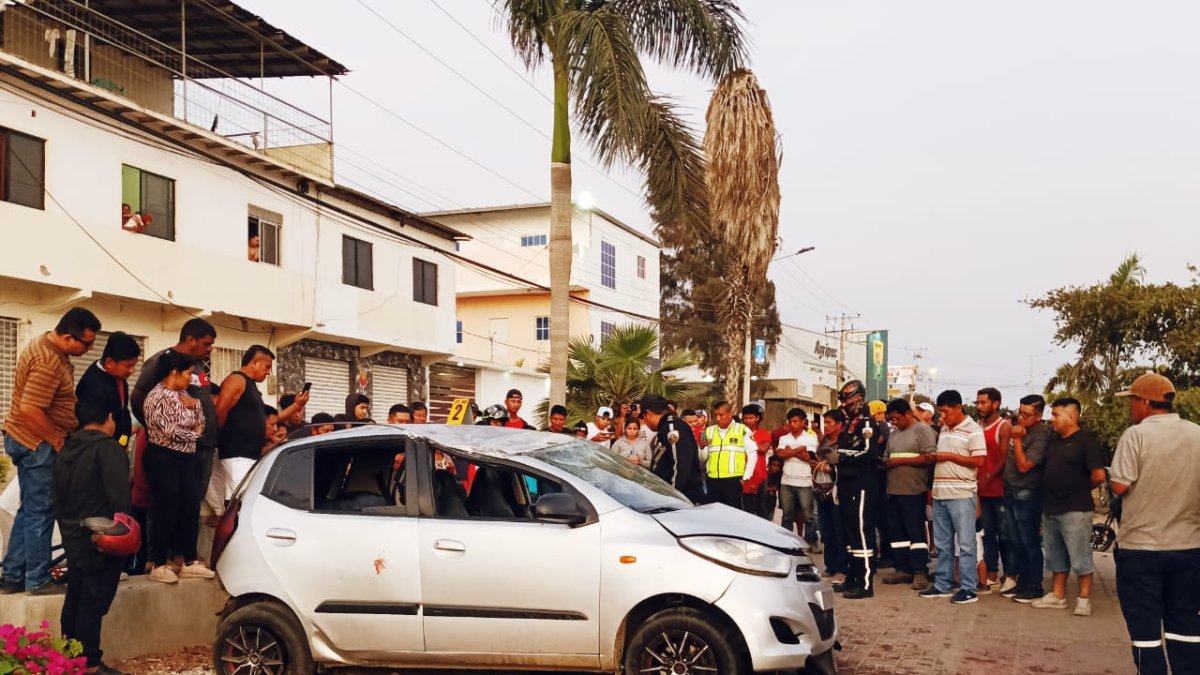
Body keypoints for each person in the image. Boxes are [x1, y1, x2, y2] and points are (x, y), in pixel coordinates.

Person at [1, 307, 100, 596]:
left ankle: (13, 575)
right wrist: (56, 440)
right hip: (37, 443)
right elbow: (30, 409)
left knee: (29, 510)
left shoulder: (50, 349)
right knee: (42, 512)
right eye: (86, 343)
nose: (89, 350)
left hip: (28, 439)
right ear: (68, 337)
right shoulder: (47, 361)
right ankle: (37, 579)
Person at [1110, 373, 1200, 674]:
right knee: (1186, 623)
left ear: (1145, 403)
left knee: (1145, 629)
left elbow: (1120, 485)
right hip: (1189, 547)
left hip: (1141, 549)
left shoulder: (1136, 435)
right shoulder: (1196, 433)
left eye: (1132, 401)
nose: (1131, 408)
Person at [53, 400, 130, 675]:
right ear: (109, 417)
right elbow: (120, 499)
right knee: (93, 601)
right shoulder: (108, 449)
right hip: (101, 536)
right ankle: (91, 663)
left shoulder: (65, 450)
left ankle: (69, 657)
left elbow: (56, 497)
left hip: (72, 534)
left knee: (75, 594)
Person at [132, 319, 220, 522]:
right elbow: (138, 395)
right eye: (207, 344)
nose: (210, 349)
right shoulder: (162, 361)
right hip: (175, 449)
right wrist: (158, 429)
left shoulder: (197, 366)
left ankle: (183, 543)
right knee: (170, 505)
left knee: (191, 506)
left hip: (202, 446)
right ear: (191, 340)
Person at [142, 350, 213, 584]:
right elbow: (168, 430)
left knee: (190, 508)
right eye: (187, 374)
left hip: (186, 458)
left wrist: (196, 406)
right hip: (163, 456)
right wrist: (194, 435)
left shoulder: (184, 395)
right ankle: (158, 562)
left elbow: (201, 420)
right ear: (174, 372)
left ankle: (188, 560)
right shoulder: (156, 396)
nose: (190, 379)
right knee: (166, 508)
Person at [1031, 398, 1106, 616]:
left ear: (1072, 416)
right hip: (1051, 507)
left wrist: (1079, 488)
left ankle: (1084, 599)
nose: (1051, 419)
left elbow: (1098, 475)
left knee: (1080, 555)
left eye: (1056, 414)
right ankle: (1058, 595)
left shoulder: (1085, 441)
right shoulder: (1054, 440)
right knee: (1055, 554)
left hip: (1076, 508)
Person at [919, 389, 986, 605]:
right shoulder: (945, 430)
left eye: (946, 411)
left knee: (966, 544)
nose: (943, 416)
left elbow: (979, 461)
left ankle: (968, 588)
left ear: (959, 407)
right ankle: (943, 584)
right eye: (941, 412)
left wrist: (949, 456)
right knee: (943, 543)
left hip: (962, 494)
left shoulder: (974, 430)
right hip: (941, 493)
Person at [828, 381, 885, 599]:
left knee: (861, 533)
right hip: (846, 483)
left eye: (847, 400)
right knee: (849, 534)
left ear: (858, 399)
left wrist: (841, 457)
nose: (844, 405)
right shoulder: (850, 422)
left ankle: (865, 583)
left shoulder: (866, 422)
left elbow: (870, 453)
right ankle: (852, 577)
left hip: (862, 483)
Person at [881, 399, 937, 590]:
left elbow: (929, 457)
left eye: (897, 418)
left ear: (908, 414)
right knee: (897, 533)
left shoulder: (923, 431)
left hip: (914, 490)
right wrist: (886, 462)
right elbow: (887, 456)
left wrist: (900, 462)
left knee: (915, 532)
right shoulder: (894, 434)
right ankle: (901, 569)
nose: (895, 422)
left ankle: (919, 570)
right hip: (893, 490)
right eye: (892, 419)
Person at [215, 345, 276, 505]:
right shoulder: (237, 380)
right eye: (267, 367)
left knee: (238, 500)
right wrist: (220, 438)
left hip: (248, 454)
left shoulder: (251, 385)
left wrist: (296, 406)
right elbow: (220, 412)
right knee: (244, 500)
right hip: (237, 453)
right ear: (254, 363)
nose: (268, 372)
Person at [1005, 394, 1050, 603]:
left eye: (1026, 414)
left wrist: (1016, 440)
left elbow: (1024, 466)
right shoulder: (1021, 429)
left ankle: (1034, 586)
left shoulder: (1040, 436)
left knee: (1029, 540)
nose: (1021, 417)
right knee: (1015, 541)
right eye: (1019, 412)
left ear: (1039, 416)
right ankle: (1022, 582)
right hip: (1010, 490)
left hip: (1027, 492)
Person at [975, 387, 1015, 594]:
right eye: (978, 402)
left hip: (999, 490)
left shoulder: (1004, 426)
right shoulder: (977, 426)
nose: (979, 406)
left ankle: (1010, 574)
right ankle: (991, 574)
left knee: (1005, 535)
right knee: (987, 534)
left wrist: (989, 476)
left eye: (983, 402)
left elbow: (1003, 458)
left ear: (996, 403)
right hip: (982, 491)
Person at [74, 331, 141, 446]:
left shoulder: (118, 376)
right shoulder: (94, 386)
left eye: (134, 365)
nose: (133, 370)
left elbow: (123, 410)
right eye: (128, 365)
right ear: (109, 362)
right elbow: (93, 430)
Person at [639, 395, 705, 503]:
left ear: (648, 413)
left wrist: (671, 497)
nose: (644, 421)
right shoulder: (665, 428)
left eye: (643, 417)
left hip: (683, 499)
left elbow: (680, 466)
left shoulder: (672, 428)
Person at [776, 408, 819, 549]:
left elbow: (808, 457)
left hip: (804, 481)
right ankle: (786, 542)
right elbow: (780, 454)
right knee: (787, 515)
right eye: (790, 421)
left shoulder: (811, 438)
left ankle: (811, 541)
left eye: (795, 421)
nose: (792, 424)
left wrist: (790, 451)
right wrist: (799, 449)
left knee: (808, 515)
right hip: (786, 481)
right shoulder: (784, 438)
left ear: (803, 422)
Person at [701, 401, 758, 509]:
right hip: (712, 480)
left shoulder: (742, 430)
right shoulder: (708, 431)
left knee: (733, 514)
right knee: (712, 513)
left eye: (721, 415)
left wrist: (746, 478)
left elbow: (752, 455)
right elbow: (703, 458)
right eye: (715, 415)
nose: (718, 418)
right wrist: (702, 448)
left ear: (730, 414)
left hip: (733, 481)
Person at [814, 409, 849, 579]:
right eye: (825, 422)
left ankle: (843, 566)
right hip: (823, 490)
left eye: (829, 423)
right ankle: (830, 565)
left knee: (839, 529)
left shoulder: (846, 442)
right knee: (826, 530)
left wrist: (831, 467)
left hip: (840, 490)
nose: (826, 426)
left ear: (840, 424)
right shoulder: (823, 442)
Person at [740, 404, 772, 518]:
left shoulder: (764, 433)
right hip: (743, 475)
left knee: (760, 509)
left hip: (760, 476)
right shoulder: (739, 432)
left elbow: (763, 449)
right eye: (745, 418)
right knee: (745, 509)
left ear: (757, 418)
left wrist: (748, 442)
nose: (748, 421)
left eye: (751, 418)